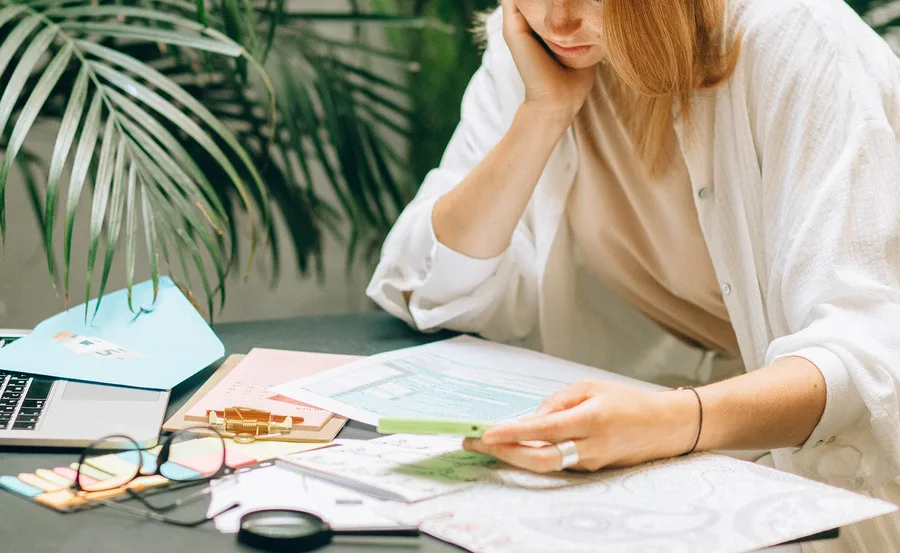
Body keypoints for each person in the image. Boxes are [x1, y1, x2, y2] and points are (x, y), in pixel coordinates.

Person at [366, 0, 900, 550]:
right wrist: (542, 113)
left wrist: (671, 421)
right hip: (642, 475)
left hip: (813, 491)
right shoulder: (544, 51)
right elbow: (431, 286)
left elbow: (868, 361)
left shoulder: (800, 39)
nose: (559, 21)